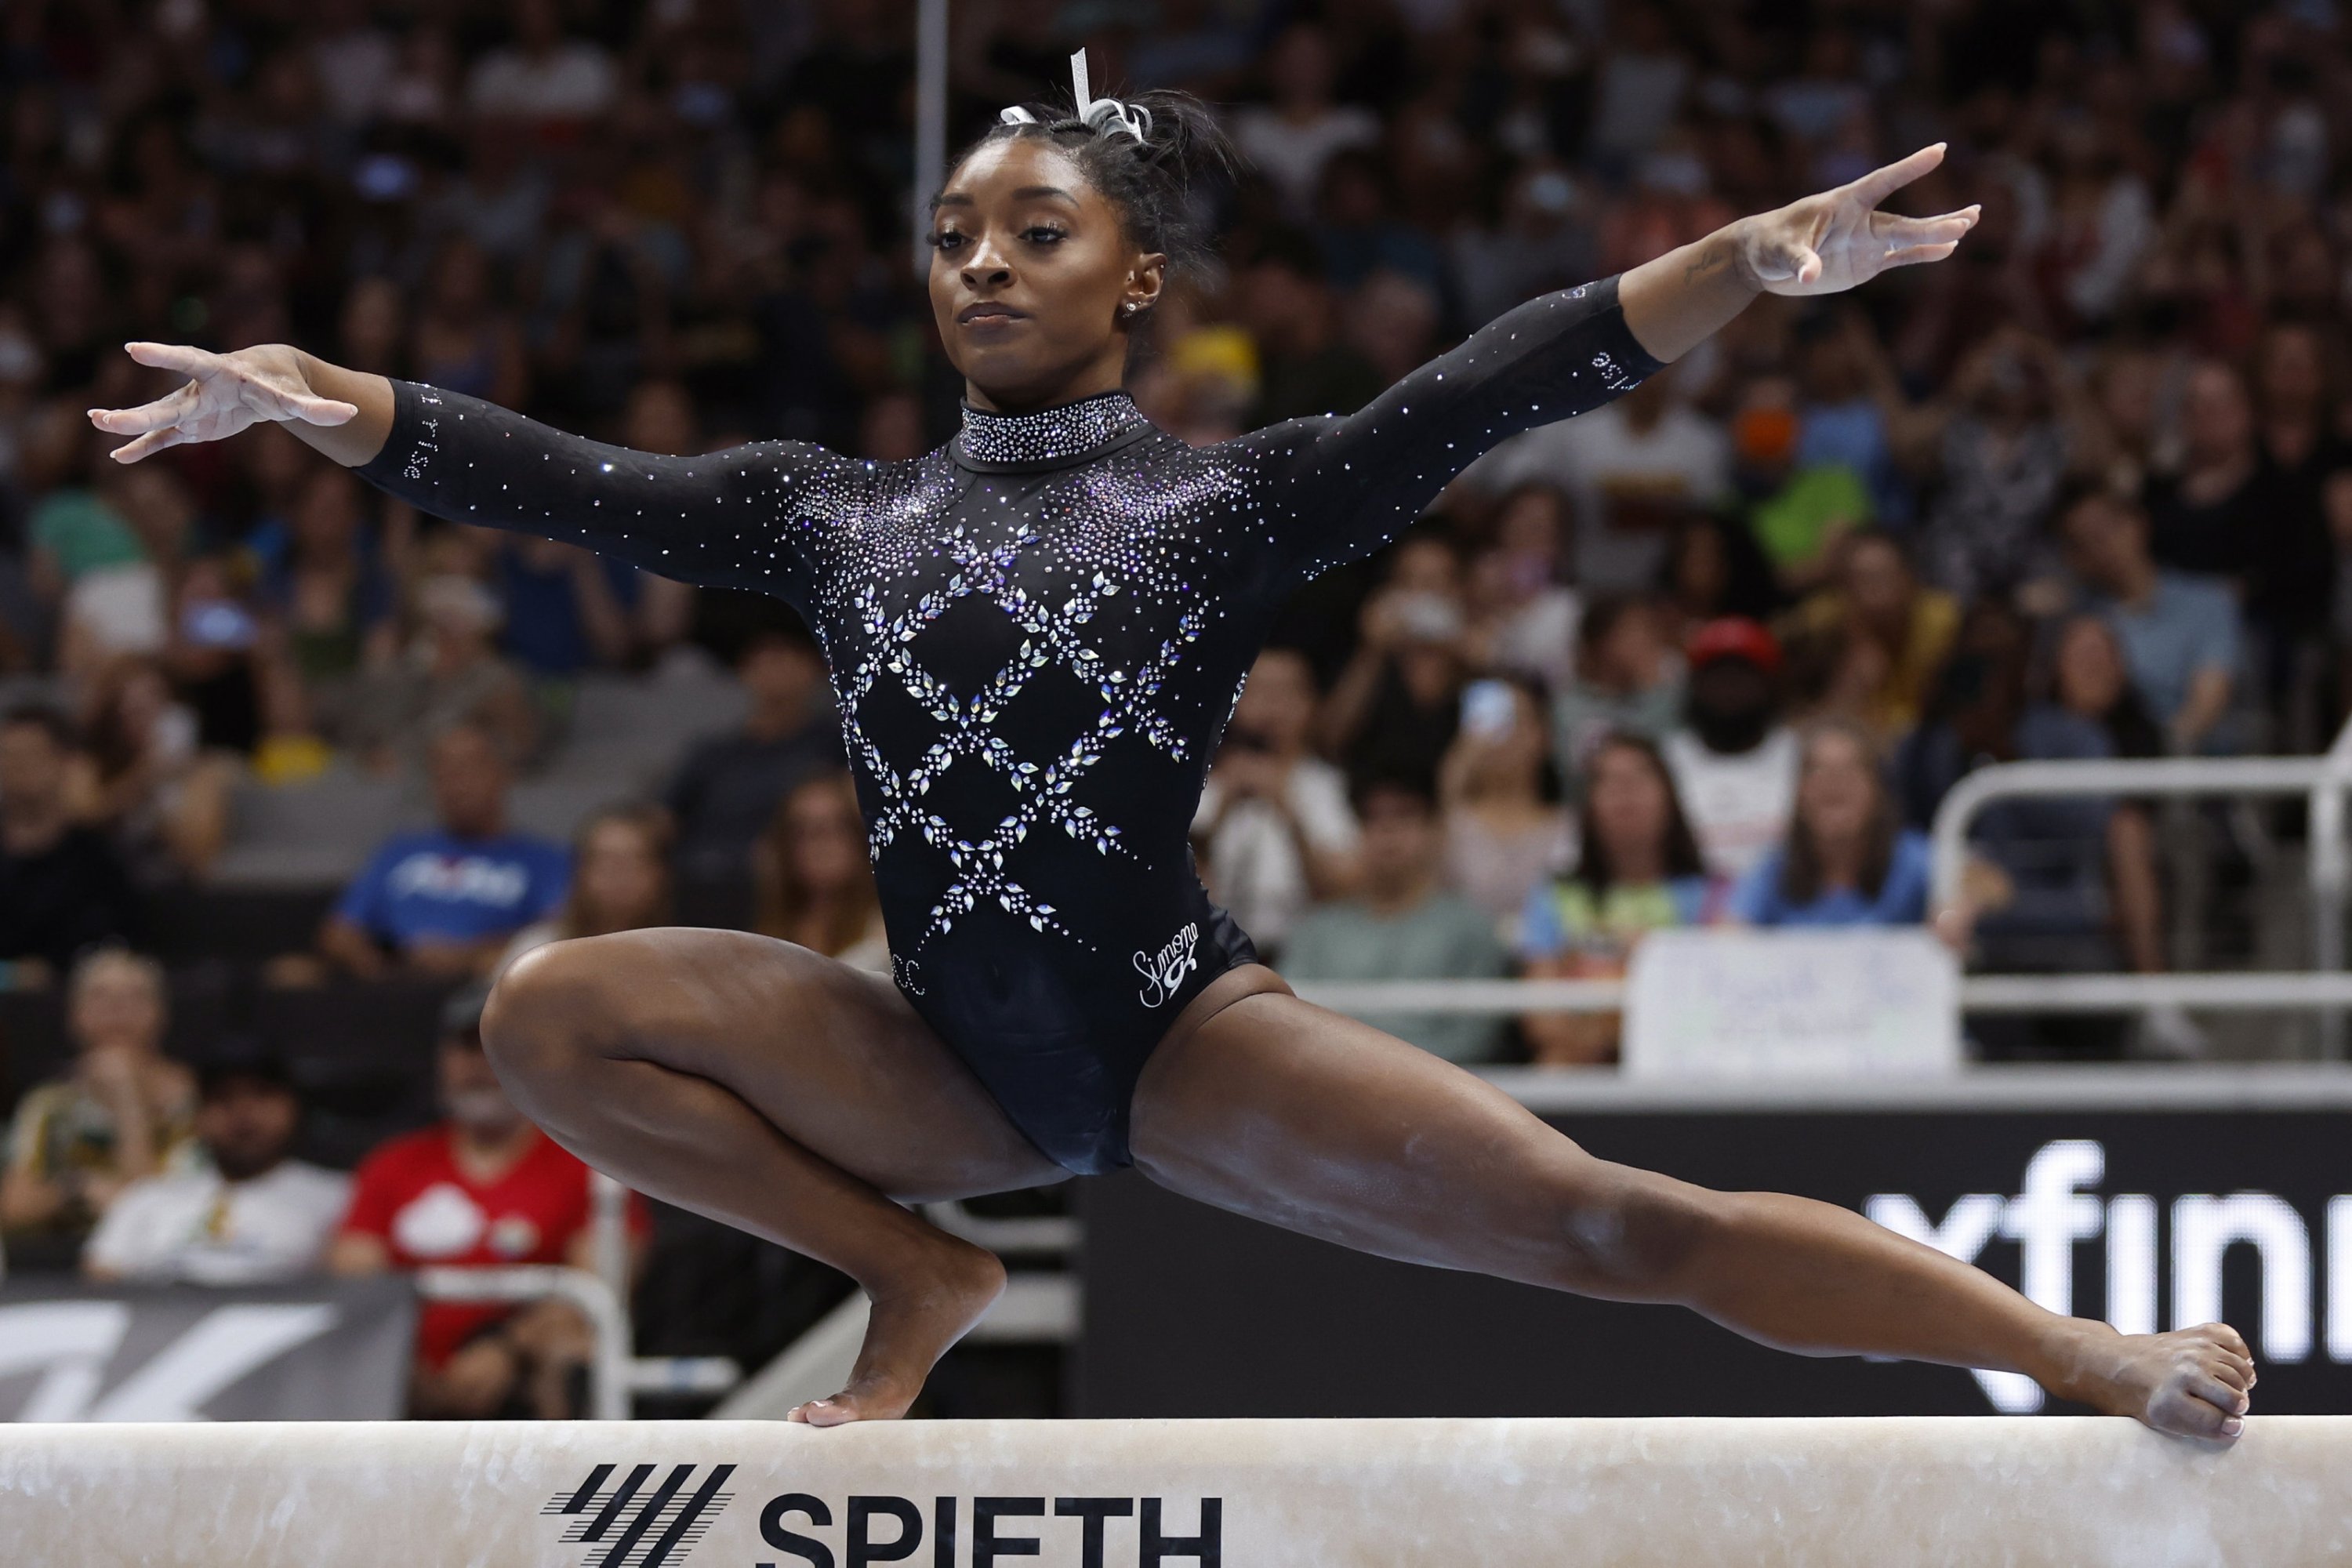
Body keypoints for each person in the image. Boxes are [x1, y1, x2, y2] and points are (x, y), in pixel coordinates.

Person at [96, 71, 2252, 1441]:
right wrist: (331, 399)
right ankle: (921, 1267)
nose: (980, 262)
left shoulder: (1223, 504)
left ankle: (2071, 1354)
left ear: (1138, 284)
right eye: (952, 235)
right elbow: (557, 482)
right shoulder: (824, 511)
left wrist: (1742, 269)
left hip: (1169, 1029)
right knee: (554, 1011)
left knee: (1615, 1229)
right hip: (929, 1050)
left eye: (1034, 231)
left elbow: (1486, 389)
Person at [328, 984, 645, 1419]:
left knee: (572, 1348)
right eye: (465, 1048)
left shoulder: (589, 1168)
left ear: (532, 1062)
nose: (479, 1065)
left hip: (524, 1376)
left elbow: (598, 1292)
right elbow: (352, 1285)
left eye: (497, 1048)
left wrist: (508, 1351)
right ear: (442, 1060)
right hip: (406, 1377)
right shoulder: (392, 1166)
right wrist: (406, 1366)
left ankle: (557, 1482)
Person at [1279, 776, 1511, 1065]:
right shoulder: (1314, 932)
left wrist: (1392, 1075)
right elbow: (1285, 1024)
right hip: (1325, 1089)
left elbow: (1474, 1038)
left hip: (1435, 1095)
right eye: (1372, 818)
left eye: (1405, 815)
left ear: (1436, 831)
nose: (1387, 830)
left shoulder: (1472, 929)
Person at [1518, 734, 1715, 1066]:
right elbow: (1542, 1020)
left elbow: (1716, 1005)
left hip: (1684, 1058)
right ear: (1587, 804)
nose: (1625, 791)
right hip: (1581, 1061)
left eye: (1640, 777)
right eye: (1607, 781)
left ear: (1671, 796)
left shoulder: (1716, 896)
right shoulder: (1555, 896)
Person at [316, 721, 569, 979]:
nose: (456, 784)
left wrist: (467, 957)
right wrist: (377, 968)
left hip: (487, 989)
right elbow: (340, 930)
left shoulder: (545, 860)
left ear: (502, 774)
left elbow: (558, 937)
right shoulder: (400, 851)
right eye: (444, 772)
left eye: (468, 768)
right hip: (393, 985)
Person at [83, 1051, 350, 1285]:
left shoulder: (339, 1198)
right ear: (198, 1116)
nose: (243, 1114)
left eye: (262, 1095)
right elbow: (100, 1283)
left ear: (293, 1108)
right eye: (223, 1099)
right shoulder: (147, 1198)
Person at [1, 950, 197, 1257]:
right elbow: (12, 1211)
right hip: (65, 1265)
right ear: (74, 1016)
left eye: (135, 997)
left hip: (167, 1263)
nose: (117, 1010)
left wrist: (127, 1104)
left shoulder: (196, 1102)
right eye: (99, 996)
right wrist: (74, 1190)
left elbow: (164, 1216)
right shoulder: (50, 1104)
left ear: (162, 1013)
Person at [1192, 647, 1360, 960]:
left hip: (1309, 957)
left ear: (1311, 705)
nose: (1271, 709)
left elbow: (1347, 890)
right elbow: (1174, 891)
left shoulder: (1326, 786)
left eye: (1285, 694)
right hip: (1214, 959)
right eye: (1259, 693)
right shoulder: (1200, 790)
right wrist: (1220, 815)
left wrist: (1288, 811)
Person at [2057, 485, 2241, 755]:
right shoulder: (2080, 623)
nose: (2102, 547)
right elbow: (2078, 709)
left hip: (2183, 762)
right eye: (2084, 541)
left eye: (2107, 528)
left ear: (2139, 523)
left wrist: (2156, 758)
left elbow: (2207, 706)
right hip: (2103, 762)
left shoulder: (2209, 602)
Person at [664, 626, 840, 884]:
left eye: (787, 660)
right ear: (744, 672)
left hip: (793, 875)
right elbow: (663, 817)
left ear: (814, 669)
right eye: (765, 661)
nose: (776, 672)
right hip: (704, 875)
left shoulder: (836, 748)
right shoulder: (713, 752)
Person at [1729, 720, 1934, 928]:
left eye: (1850, 769)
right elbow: (1731, 931)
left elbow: (1957, 896)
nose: (1834, 781)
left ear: (1878, 790)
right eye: (1818, 770)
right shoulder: (1775, 869)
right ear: (1799, 794)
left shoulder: (1912, 859)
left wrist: (1948, 916)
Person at [0, 705, 142, 982]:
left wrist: (50, 971)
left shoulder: (98, 860)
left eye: (31, 756)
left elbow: (117, 944)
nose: (17, 768)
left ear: (65, 763)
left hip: (69, 1007)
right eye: (7, 756)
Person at [1663, 618, 1802, 880]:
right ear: (1695, 686)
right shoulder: (1665, 761)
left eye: (1742, 674)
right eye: (1717, 675)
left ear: (1770, 684)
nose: (1729, 687)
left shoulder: (1800, 758)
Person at [1436, 673, 1574, 934]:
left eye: (1513, 721)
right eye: (1489, 721)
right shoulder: (1448, 824)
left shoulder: (1570, 828)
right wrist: (1452, 782)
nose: (1501, 737)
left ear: (1543, 736)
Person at [499, 804, 673, 973]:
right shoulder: (536, 952)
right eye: (606, 862)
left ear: (659, 873)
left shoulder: (686, 955)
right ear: (580, 870)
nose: (618, 876)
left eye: (634, 862)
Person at [757, 771, 890, 972]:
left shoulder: (887, 936)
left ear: (861, 839)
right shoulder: (766, 936)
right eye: (802, 831)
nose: (819, 845)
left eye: (835, 828)